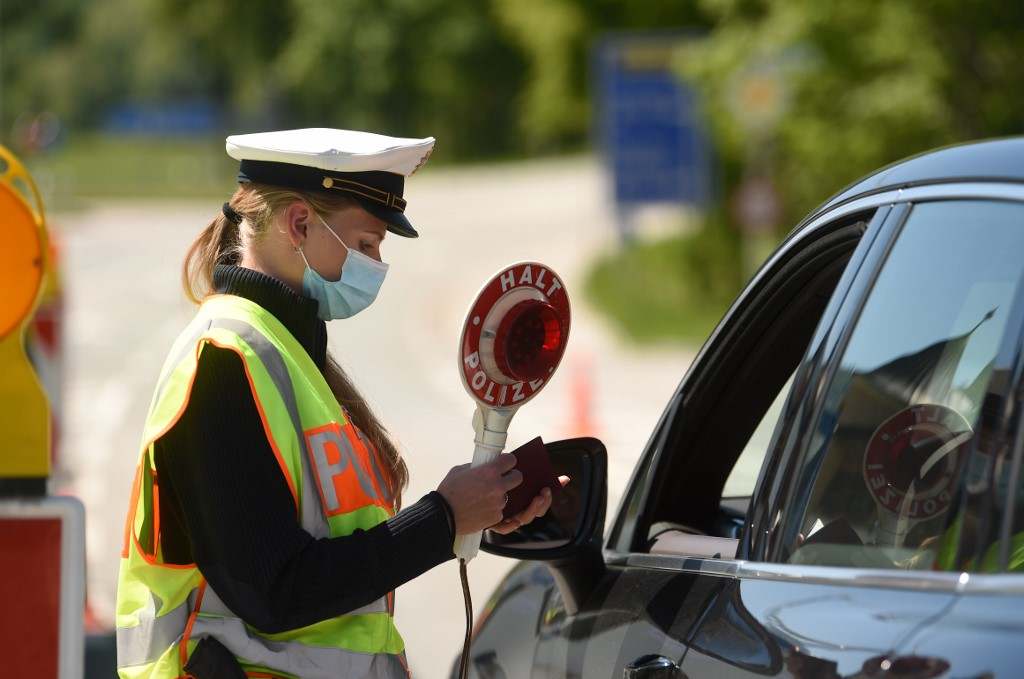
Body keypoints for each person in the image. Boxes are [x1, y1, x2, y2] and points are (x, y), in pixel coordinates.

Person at [115, 128, 559, 678]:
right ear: (299, 224)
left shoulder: (288, 353)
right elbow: (274, 589)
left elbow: (339, 547)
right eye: (367, 244)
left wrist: (475, 515)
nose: (376, 266)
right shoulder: (224, 360)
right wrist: (440, 521)